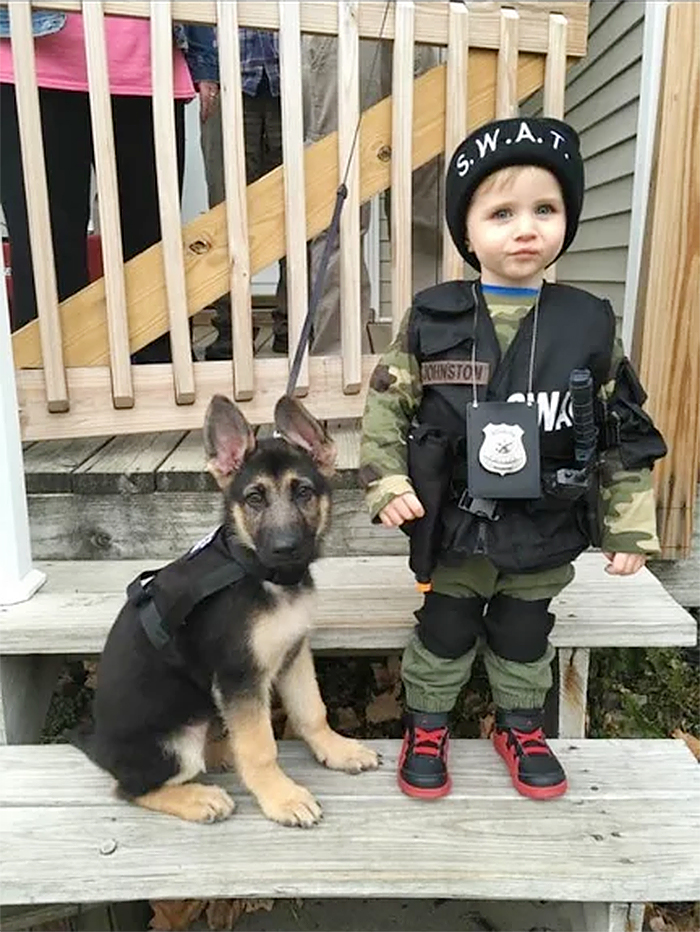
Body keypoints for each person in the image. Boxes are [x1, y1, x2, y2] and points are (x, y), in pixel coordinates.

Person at [359, 117, 667, 801]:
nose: (525, 228)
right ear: (467, 232)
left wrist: (628, 526)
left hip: (545, 525)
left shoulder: (590, 325)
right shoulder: (432, 319)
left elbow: (624, 428)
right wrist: (387, 480)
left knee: (525, 630)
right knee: (444, 628)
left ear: (567, 221)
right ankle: (427, 723)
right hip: (457, 527)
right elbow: (387, 407)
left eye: (545, 209)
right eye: (501, 212)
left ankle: (521, 726)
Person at [0, 10, 216, 362]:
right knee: (45, 250)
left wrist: (206, 62)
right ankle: (51, 391)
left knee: (152, 250)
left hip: (145, 62)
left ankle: (158, 391)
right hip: (31, 59)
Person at [302, 34, 442, 355]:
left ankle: (431, 349)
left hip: (422, 18)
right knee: (338, 205)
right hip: (341, 20)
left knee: (424, 202)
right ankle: (338, 362)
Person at [199, 26, 288, 360]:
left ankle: (292, 323)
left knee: (299, 211)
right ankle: (230, 328)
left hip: (291, 77)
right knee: (223, 214)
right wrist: (204, 71)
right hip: (226, 76)